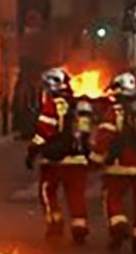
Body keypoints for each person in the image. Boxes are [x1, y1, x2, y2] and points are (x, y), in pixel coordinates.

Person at [93, 72, 136, 254]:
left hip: (119, 165)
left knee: (112, 195)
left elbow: (105, 137)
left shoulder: (114, 112)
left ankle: (119, 224)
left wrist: (96, 158)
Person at [28, 68, 93, 243]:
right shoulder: (80, 104)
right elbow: (86, 133)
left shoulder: (52, 104)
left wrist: (32, 150)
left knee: (48, 191)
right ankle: (79, 226)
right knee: (76, 194)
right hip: (78, 159)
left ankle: (55, 224)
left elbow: (44, 132)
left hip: (54, 160)